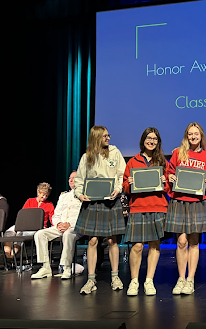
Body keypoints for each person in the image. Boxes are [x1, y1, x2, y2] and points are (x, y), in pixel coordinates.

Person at [74, 125, 126, 294]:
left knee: (112, 241)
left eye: (108, 135)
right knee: (92, 241)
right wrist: (80, 194)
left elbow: (122, 175)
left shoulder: (115, 153)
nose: (108, 138)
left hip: (111, 201)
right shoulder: (86, 157)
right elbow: (80, 179)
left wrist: (118, 189)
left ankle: (115, 276)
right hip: (92, 202)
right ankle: (91, 280)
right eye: (105, 136)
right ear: (96, 137)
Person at [165, 122, 206, 295]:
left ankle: (190, 279)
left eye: (196, 134)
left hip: (197, 202)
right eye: (190, 134)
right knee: (181, 241)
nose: (193, 137)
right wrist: (170, 176)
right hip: (179, 200)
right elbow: (169, 172)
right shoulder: (178, 153)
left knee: (194, 241)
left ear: (201, 136)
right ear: (186, 136)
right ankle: (181, 278)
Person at [122, 128, 169, 296]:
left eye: (155, 139)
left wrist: (165, 182)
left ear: (158, 142)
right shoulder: (133, 161)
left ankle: (149, 280)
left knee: (155, 245)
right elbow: (125, 187)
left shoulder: (162, 161)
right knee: (137, 246)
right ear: (143, 140)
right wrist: (130, 183)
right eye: (149, 138)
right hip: (138, 207)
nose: (152, 141)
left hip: (157, 206)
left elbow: (168, 187)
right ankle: (134, 281)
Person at [31, 171, 83, 280]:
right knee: (40, 234)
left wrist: (70, 224)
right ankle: (45, 267)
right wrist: (58, 223)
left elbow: (84, 215)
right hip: (60, 226)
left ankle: (67, 267)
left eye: (74, 178)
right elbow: (56, 214)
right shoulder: (63, 196)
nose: (71, 180)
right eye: (70, 178)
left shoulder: (84, 195)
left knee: (68, 234)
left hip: (76, 227)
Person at [3, 182, 55, 260]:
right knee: (8, 233)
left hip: (39, 227)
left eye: (46, 195)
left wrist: (54, 227)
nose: (44, 197)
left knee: (20, 234)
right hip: (25, 225)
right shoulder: (30, 201)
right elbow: (23, 215)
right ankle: (7, 255)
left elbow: (52, 218)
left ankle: (11, 257)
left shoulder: (49, 204)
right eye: (42, 195)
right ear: (38, 192)